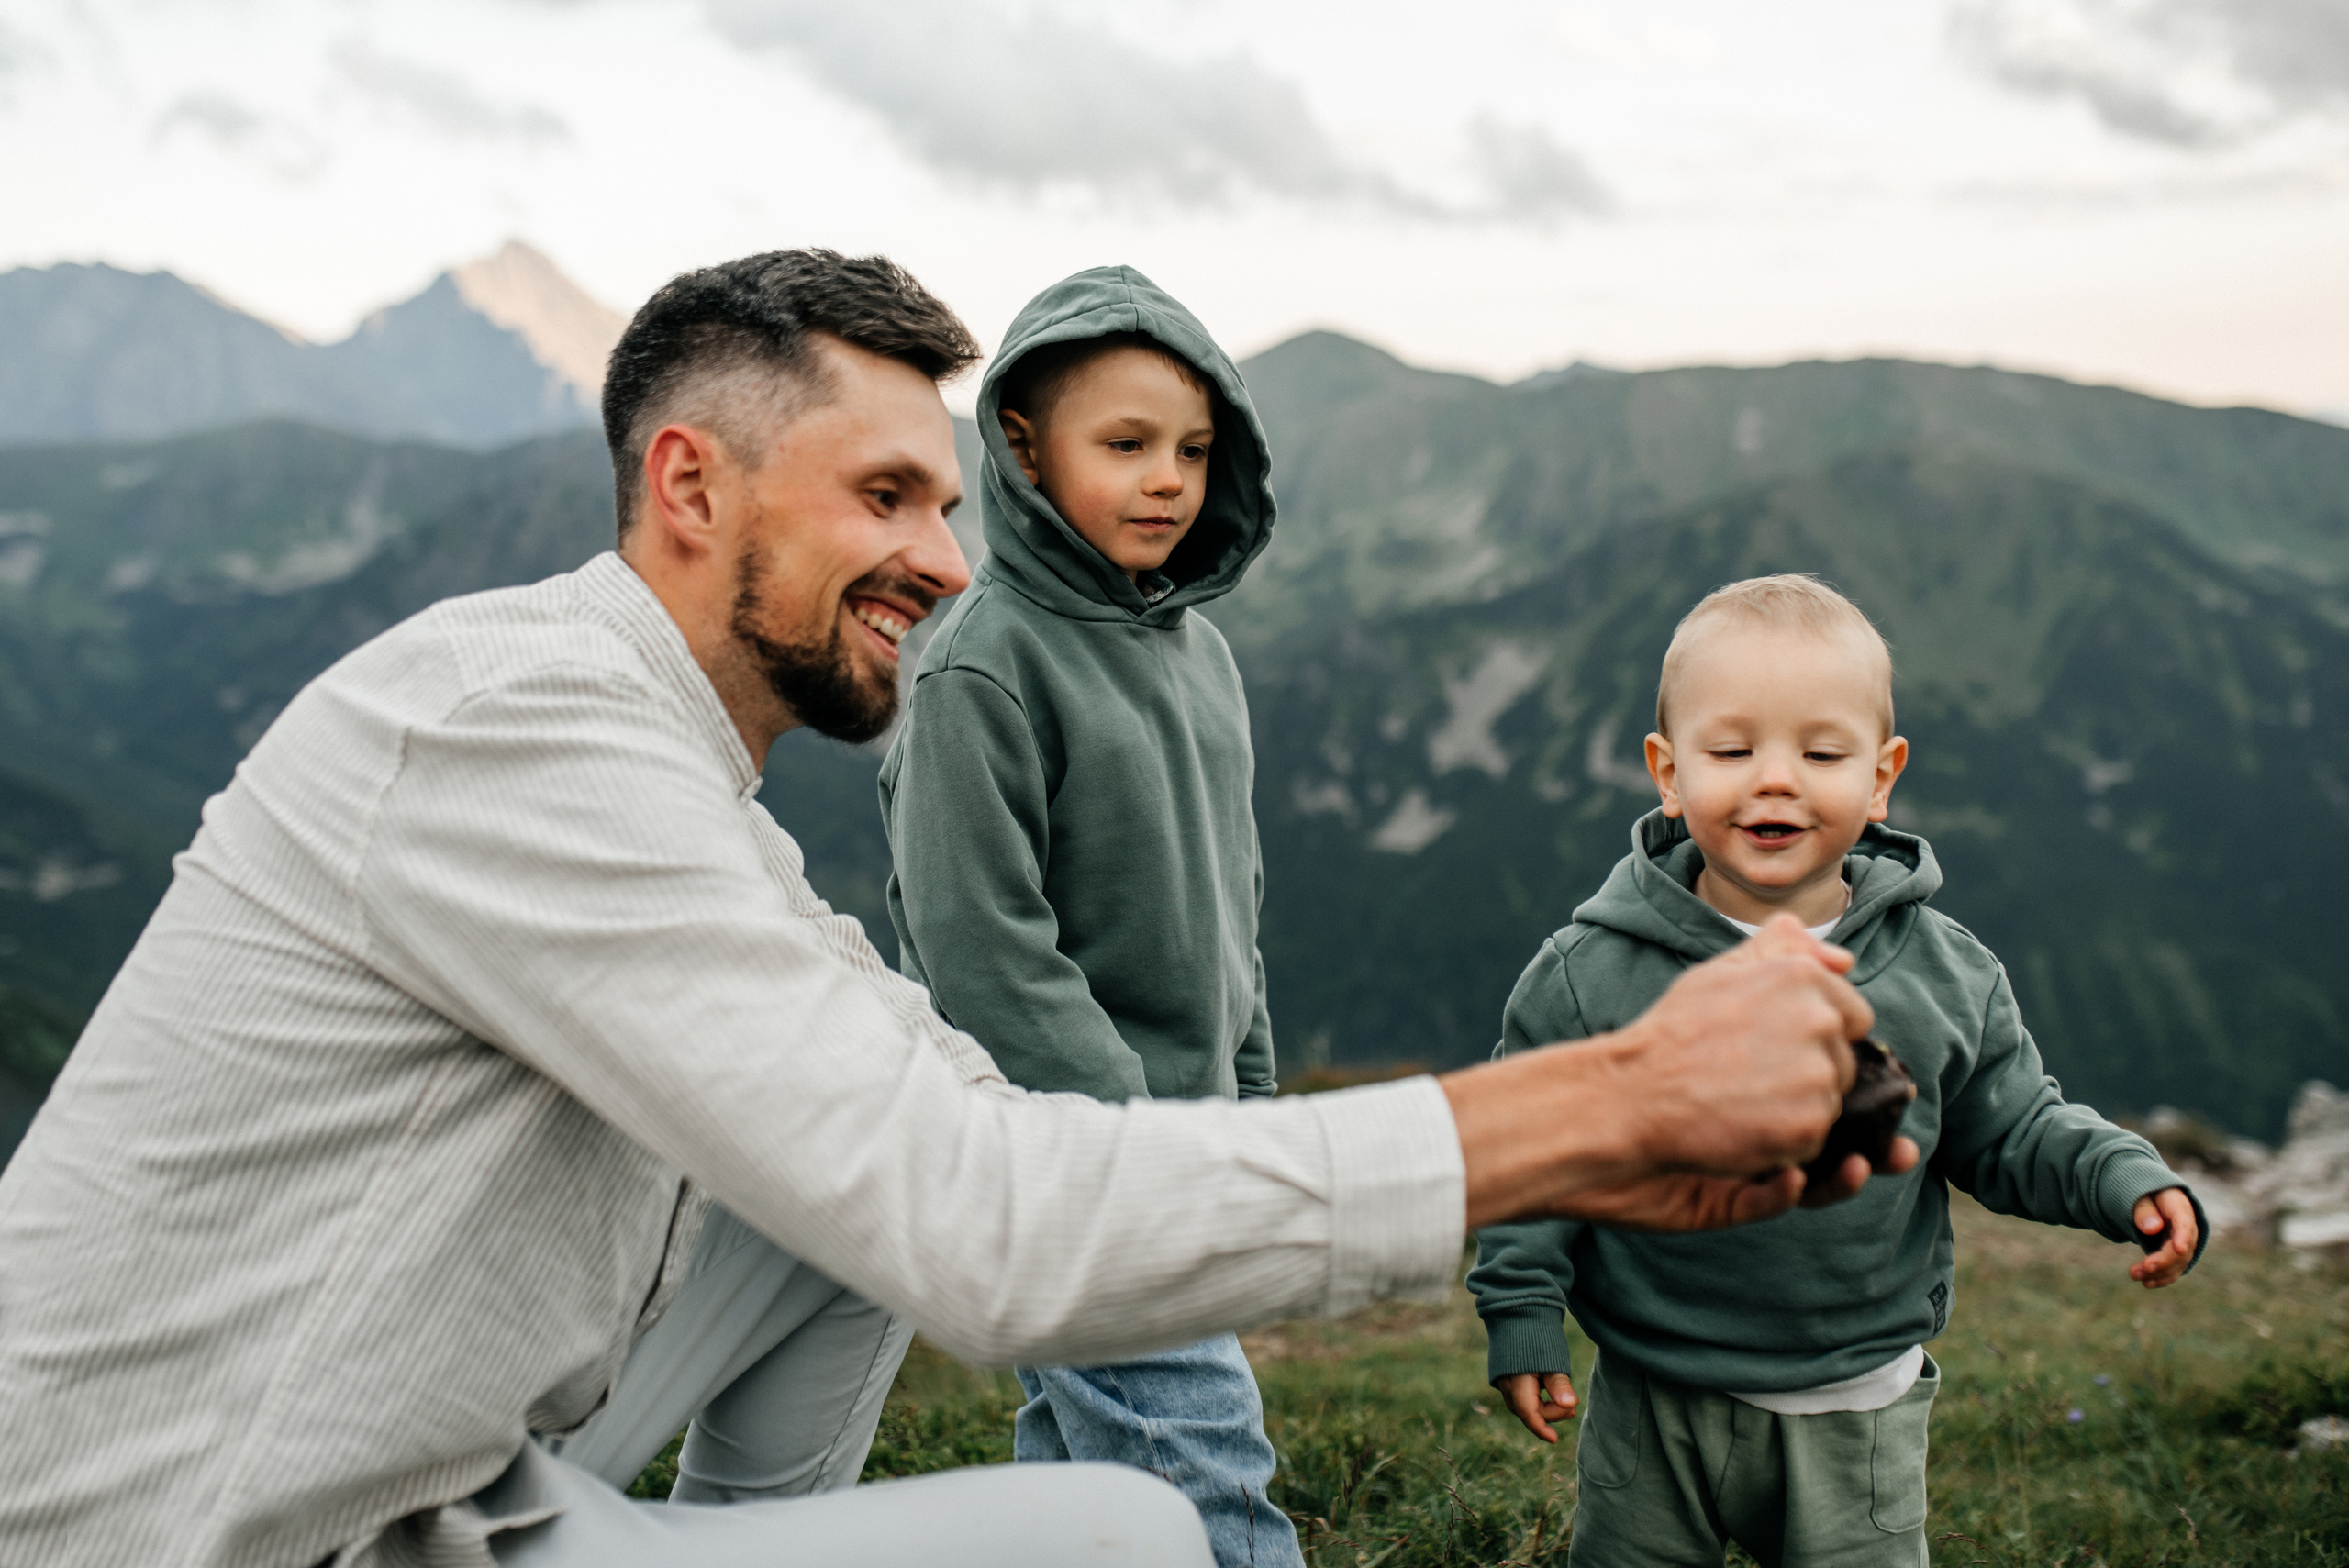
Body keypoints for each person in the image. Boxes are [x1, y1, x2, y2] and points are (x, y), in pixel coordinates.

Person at [0, 251, 1886, 1568]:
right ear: (687, 483)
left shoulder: (679, 796)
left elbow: (939, 1120)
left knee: (861, 1176)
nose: (942, 555)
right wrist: (1601, 1103)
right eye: (889, 494)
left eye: (946, 497)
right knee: (1137, 1525)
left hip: (457, 1487)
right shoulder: (513, 724)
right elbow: (987, 1226)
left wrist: (1587, 1157)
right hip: (217, 1530)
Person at [1466, 574, 2206, 1568]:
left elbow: (2014, 1127)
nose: (1776, 779)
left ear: (1881, 776)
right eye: (1731, 750)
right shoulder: (1588, 971)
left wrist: (2122, 1175)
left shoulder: (1946, 971)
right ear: (1667, 771)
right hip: (1651, 1384)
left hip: (1857, 1392)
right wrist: (1519, 1312)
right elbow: (1534, 1149)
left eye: (1820, 752)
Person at [877, 268, 1297, 1566]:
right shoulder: (974, 666)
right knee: (1204, 1473)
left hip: (1174, 1142)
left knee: (1086, 1483)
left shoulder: (1198, 654)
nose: (1168, 479)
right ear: (1021, 446)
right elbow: (983, 948)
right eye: (1125, 445)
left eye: (1192, 449)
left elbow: (1231, 894)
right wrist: (1135, 1145)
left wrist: (1251, 1099)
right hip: (1068, 1162)